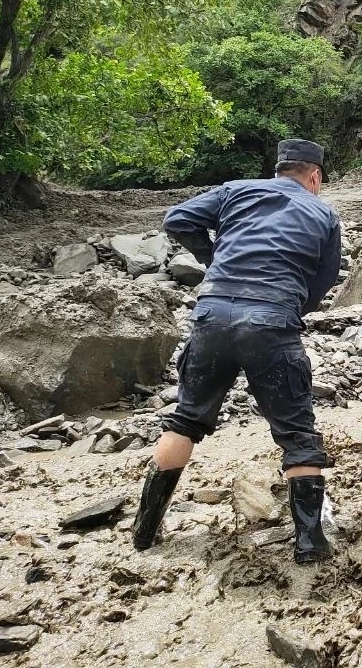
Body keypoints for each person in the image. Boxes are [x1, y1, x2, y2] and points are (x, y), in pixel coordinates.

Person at [130, 138, 342, 564]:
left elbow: (177, 219)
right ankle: (310, 544)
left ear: (278, 168)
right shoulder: (323, 214)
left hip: (213, 315)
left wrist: (213, 256)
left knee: (186, 419)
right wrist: (292, 306)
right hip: (272, 320)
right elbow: (325, 278)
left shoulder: (235, 190)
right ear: (315, 176)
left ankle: (145, 531)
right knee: (297, 433)